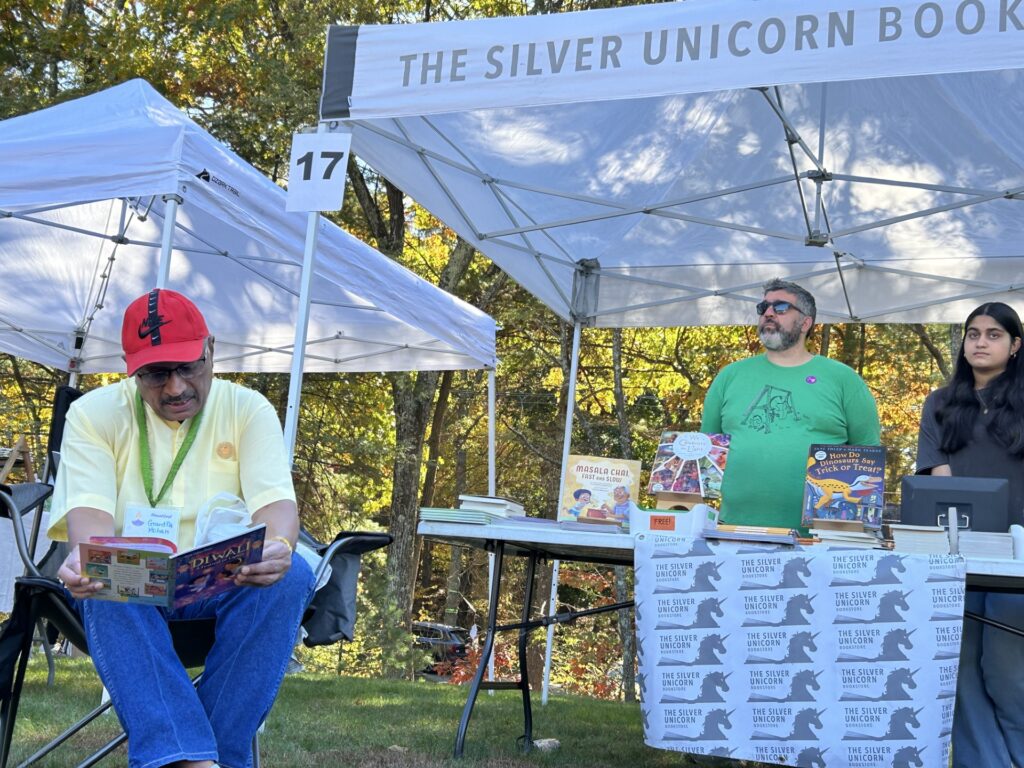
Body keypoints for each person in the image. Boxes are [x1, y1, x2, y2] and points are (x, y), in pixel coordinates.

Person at [50, 288, 315, 768]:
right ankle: (193, 760)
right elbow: (89, 531)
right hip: (130, 595)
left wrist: (276, 546)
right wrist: (86, 557)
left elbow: (277, 509)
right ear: (131, 369)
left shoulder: (248, 408)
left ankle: (195, 755)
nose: (174, 388)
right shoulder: (91, 414)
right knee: (105, 577)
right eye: (155, 374)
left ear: (210, 349)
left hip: (218, 585)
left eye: (188, 367)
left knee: (292, 574)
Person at [915, 301, 1024, 768]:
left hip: (1018, 562)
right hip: (956, 555)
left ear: (1016, 346)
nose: (980, 342)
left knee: (1006, 675)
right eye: (973, 333)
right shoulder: (940, 403)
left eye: (994, 334)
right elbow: (938, 478)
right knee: (959, 674)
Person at [700, 278, 881, 531]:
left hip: (819, 538)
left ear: (806, 322)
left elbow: (868, 454)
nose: (769, 313)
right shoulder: (729, 376)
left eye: (781, 307)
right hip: (735, 530)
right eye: (763, 308)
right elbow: (706, 451)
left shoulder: (843, 379)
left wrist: (851, 531)